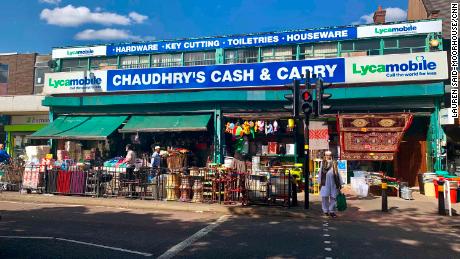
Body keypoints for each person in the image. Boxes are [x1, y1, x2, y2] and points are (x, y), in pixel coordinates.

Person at [317, 150, 343, 218]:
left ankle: (332, 211)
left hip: (334, 182)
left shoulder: (334, 163)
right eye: (327, 155)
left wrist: (340, 182)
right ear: (325, 156)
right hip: (325, 181)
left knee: (333, 197)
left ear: (331, 156)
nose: (328, 156)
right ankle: (325, 210)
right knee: (324, 196)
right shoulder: (322, 163)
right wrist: (319, 181)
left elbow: (338, 172)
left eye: (329, 155)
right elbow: (320, 172)